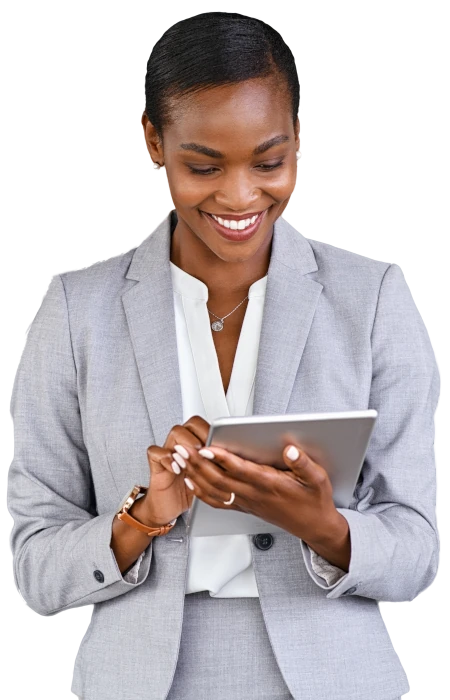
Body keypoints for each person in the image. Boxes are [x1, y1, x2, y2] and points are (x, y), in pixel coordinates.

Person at [7, 12, 439, 700]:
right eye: (203, 166)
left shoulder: (376, 300)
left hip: (333, 680)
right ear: (152, 140)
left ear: (299, 134)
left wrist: (325, 528)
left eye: (269, 162)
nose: (240, 196)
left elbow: (417, 552)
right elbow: (32, 567)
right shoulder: (74, 310)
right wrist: (141, 518)